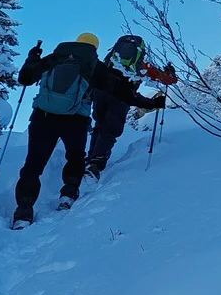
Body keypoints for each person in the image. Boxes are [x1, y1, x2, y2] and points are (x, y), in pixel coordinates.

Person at [12, 33, 166, 229]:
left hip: (43, 118)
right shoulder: (94, 66)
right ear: (95, 47)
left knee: (33, 164)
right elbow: (123, 93)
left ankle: (23, 212)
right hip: (75, 121)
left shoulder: (54, 58)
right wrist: (152, 103)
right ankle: (68, 195)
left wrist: (32, 58)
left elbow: (25, 78)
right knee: (75, 158)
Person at [85, 34, 177, 180]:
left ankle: (90, 159)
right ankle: (96, 163)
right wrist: (170, 74)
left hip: (101, 93)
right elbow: (169, 80)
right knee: (110, 129)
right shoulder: (142, 66)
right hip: (122, 96)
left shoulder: (111, 60)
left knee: (100, 125)